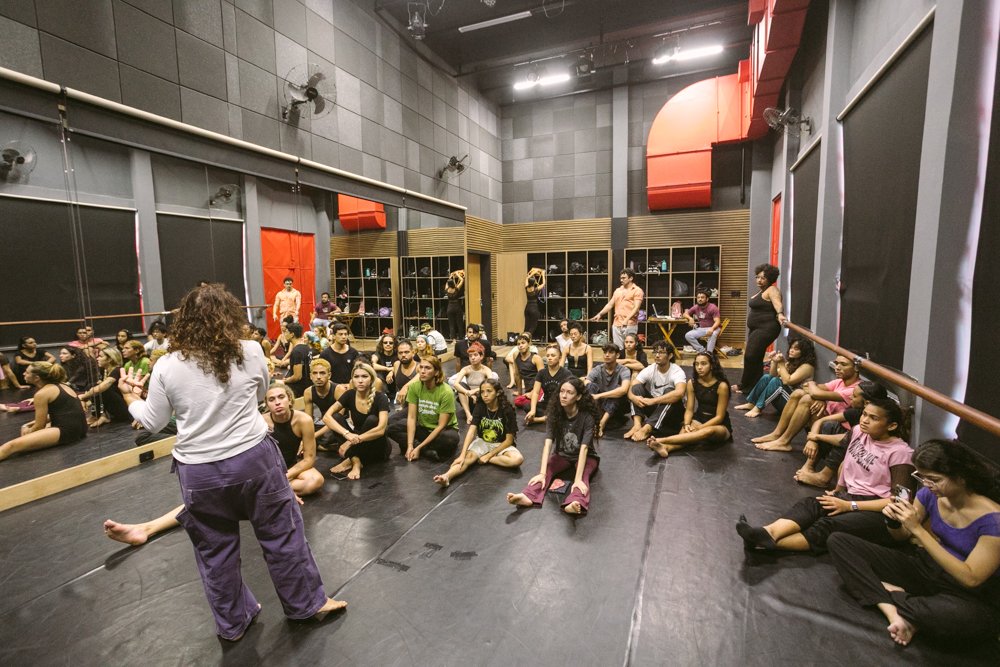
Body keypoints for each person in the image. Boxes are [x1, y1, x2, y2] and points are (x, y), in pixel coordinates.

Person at [117, 284, 343, 640]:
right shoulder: (250, 351)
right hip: (254, 461)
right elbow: (260, 394)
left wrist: (130, 396)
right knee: (283, 536)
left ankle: (233, 622)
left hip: (199, 473)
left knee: (215, 553)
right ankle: (307, 604)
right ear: (229, 316)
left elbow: (152, 422)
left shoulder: (166, 366)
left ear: (184, 320)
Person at [828, 439, 1000, 647]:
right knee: (839, 542)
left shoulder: (994, 521)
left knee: (959, 618)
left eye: (934, 479)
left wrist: (918, 529)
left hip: (968, 593)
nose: (927, 484)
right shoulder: (929, 494)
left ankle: (891, 593)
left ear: (961, 477)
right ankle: (895, 613)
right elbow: (900, 537)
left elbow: (971, 578)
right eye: (923, 477)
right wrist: (893, 521)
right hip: (927, 567)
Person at [105, 382, 326, 543]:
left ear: (289, 399)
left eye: (281, 397)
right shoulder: (259, 421)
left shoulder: (303, 420)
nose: (277, 403)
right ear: (266, 403)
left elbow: (308, 459)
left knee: (315, 480)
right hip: (262, 473)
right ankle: (147, 528)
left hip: (287, 471)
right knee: (211, 498)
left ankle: (265, 494)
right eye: (271, 399)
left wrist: (283, 481)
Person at [736, 398, 914, 554]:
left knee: (829, 524)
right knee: (811, 504)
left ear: (892, 426)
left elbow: (899, 503)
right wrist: (838, 491)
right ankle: (768, 533)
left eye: (873, 418)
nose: (865, 420)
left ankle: (765, 543)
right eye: (864, 414)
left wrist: (850, 505)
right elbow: (847, 461)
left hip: (879, 511)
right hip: (852, 497)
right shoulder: (859, 432)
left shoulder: (900, 453)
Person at [507, 377, 600, 515]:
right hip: (562, 454)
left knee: (583, 478)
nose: (564, 395)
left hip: (587, 456)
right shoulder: (554, 414)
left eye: (569, 392)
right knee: (547, 470)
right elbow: (548, 443)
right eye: (562, 391)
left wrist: (577, 479)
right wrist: (542, 473)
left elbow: (584, 448)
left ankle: (576, 501)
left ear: (578, 396)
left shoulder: (587, 417)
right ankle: (528, 495)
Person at [752, 353, 861, 451]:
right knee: (798, 393)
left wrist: (816, 390)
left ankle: (784, 441)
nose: (837, 367)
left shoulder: (855, 389)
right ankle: (777, 434)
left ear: (856, 368)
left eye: (843, 364)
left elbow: (814, 391)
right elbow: (806, 386)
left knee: (808, 399)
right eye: (836, 363)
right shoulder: (839, 382)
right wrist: (819, 396)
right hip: (823, 419)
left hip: (836, 429)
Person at [795, 380, 889, 487]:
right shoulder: (857, 411)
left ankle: (824, 477)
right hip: (854, 446)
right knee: (829, 426)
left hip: (869, 455)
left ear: (866, 403)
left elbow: (848, 438)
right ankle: (809, 466)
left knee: (847, 442)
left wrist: (817, 437)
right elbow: (821, 421)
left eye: (854, 396)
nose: (850, 397)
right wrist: (812, 440)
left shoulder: (877, 420)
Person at [434, 378, 523, 487]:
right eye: (482, 392)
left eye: (489, 391)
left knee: (517, 460)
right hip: (483, 441)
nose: (485, 395)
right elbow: (471, 431)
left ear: (498, 393)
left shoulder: (507, 410)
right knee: (465, 459)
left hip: (501, 444)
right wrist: (462, 454)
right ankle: (447, 477)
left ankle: (485, 458)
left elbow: (509, 440)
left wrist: (489, 456)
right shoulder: (480, 407)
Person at [647, 351, 731, 457]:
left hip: (719, 425)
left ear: (712, 365)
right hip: (699, 419)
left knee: (707, 431)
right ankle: (666, 447)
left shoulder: (722, 386)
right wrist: (687, 424)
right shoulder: (692, 383)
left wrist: (700, 428)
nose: (699, 367)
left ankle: (661, 440)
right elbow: (690, 409)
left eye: (703, 364)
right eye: (697, 364)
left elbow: (719, 417)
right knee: (685, 432)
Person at [0, 362, 87, 462]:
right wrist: (27, 425)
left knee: (11, 446)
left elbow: (39, 426)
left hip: (67, 431)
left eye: (27, 372)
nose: (24, 374)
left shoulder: (42, 393)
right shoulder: (62, 385)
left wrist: (29, 432)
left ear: (37, 378)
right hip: (81, 428)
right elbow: (64, 413)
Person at [323, 363, 391, 480]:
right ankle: (356, 461)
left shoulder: (381, 398)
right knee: (336, 417)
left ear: (371, 379)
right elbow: (327, 417)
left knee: (372, 420)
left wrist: (351, 441)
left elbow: (380, 430)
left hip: (378, 447)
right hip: (356, 441)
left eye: (364, 376)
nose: (360, 380)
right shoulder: (349, 394)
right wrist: (347, 434)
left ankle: (351, 459)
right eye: (356, 377)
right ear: (352, 380)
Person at [386, 355, 460, 462]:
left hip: (443, 430)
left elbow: (441, 426)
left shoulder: (446, 391)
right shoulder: (415, 387)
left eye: (427, 368)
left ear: (436, 372)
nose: (422, 371)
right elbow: (412, 417)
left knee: (450, 439)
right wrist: (411, 445)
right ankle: (426, 450)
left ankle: (420, 447)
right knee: (391, 429)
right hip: (423, 428)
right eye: (421, 367)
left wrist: (418, 448)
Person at [735, 263, 787, 393]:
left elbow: (777, 303)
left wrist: (780, 314)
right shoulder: (762, 291)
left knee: (751, 356)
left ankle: (746, 386)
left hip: (766, 328)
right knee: (756, 357)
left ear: (770, 278)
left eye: (763, 278)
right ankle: (753, 386)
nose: (759, 280)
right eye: (757, 277)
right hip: (756, 329)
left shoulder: (772, 290)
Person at [735, 336, 816, 418]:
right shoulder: (792, 362)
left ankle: (758, 408)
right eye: (791, 348)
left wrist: (781, 364)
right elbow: (772, 375)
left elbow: (787, 381)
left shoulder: (807, 367)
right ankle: (751, 403)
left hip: (794, 405)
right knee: (767, 377)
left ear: (804, 352)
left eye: (796, 349)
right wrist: (774, 361)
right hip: (785, 398)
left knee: (777, 382)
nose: (791, 350)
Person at [624, 341, 687, 442]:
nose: (657, 355)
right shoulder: (651, 368)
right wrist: (633, 397)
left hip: (674, 414)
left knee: (670, 391)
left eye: (661, 352)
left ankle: (647, 428)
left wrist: (653, 401)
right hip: (656, 410)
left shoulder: (677, 371)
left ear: (670, 355)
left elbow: (680, 393)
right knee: (636, 388)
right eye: (655, 352)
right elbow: (631, 386)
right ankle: (637, 425)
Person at [589, 268, 644, 348]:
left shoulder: (637, 290)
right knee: (618, 349)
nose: (621, 280)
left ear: (631, 278)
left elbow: (636, 307)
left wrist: (626, 319)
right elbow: (610, 305)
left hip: (629, 324)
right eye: (620, 278)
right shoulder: (618, 290)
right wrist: (600, 314)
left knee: (630, 348)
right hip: (616, 323)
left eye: (624, 278)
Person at [586, 343, 631, 437]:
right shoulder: (598, 369)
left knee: (617, 392)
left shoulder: (624, 370)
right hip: (600, 404)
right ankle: (592, 418)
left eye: (610, 352)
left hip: (619, 405)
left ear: (617, 355)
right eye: (605, 352)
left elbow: (624, 389)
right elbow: (586, 383)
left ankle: (602, 423)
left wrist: (599, 395)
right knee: (590, 386)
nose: (607, 355)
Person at [449, 342, 499, 425]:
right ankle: (468, 415)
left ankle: (481, 412)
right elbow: (456, 384)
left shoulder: (486, 370)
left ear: (481, 356)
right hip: (470, 398)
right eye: (470, 356)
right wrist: (468, 393)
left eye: (475, 355)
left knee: (490, 386)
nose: (473, 358)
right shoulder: (466, 369)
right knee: (461, 385)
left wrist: (475, 391)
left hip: (482, 398)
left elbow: (490, 384)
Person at [524, 344, 574, 425]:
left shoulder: (566, 373)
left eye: (553, 355)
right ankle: (548, 418)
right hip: (547, 404)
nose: (550, 358)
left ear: (560, 357)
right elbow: (536, 392)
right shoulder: (541, 373)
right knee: (527, 406)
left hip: (560, 405)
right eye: (548, 356)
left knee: (563, 412)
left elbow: (571, 394)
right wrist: (533, 410)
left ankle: (537, 420)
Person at [79, 348, 130, 427]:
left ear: (109, 359)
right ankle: (101, 415)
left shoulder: (117, 370)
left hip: (125, 409)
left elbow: (101, 388)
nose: (97, 358)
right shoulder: (104, 370)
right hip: (112, 406)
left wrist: (83, 397)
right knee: (92, 385)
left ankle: (99, 416)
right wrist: (84, 400)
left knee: (104, 389)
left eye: (100, 356)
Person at [683, 289, 722, 354]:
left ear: (707, 299)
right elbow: (685, 314)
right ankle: (703, 351)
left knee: (713, 334)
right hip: (702, 328)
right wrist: (690, 318)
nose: (700, 299)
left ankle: (709, 353)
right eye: (698, 297)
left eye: (702, 297)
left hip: (714, 327)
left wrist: (712, 329)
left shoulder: (713, 307)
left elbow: (717, 321)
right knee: (688, 335)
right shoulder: (696, 307)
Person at [280, 322, 312, 399]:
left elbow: (297, 376)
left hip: (298, 390)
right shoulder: (306, 347)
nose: (284, 334)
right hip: (307, 386)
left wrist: (285, 381)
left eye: (286, 332)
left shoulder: (297, 351)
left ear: (292, 334)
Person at [509, 334, 543, 401]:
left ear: (529, 344)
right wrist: (519, 392)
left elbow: (543, 377)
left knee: (529, 404)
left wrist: (534, 392)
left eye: (523, 343)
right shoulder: (515, 355)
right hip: (528, 389)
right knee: (518, 401)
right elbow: (517, 374)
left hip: (539, 389)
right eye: (518, 344)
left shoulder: (536, 358)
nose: (520, 345)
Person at [386, 339, 419, 406]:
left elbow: (420, 376)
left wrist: (406, 387)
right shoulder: (397, 364)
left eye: (406, 352)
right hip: (401, 403)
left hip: (416, 403)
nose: (403, 355)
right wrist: (391, 372)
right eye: (400, 353)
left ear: (413, 353)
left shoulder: (420, 367)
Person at [523, 267, 545, 340]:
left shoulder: (526, 288)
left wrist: (531, 273)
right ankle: (526, 339)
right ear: (534, 282)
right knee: (533, 326)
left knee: (526, 326)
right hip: (534, 308)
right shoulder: (536, 289)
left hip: (527, 308)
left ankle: (523, 339)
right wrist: (543, 274)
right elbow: (543, 284)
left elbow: (527, 278)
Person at [445, 269, 466, 341]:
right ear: (453, 284)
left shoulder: (447, 289)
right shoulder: (456, 289)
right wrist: (457, 274)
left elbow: (447, 282)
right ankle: (461, 338)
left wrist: (450, 276)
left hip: (449, 307)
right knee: (459, 323)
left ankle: (453, 339)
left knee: (451, 324)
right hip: (457, 306)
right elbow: (462, 280)